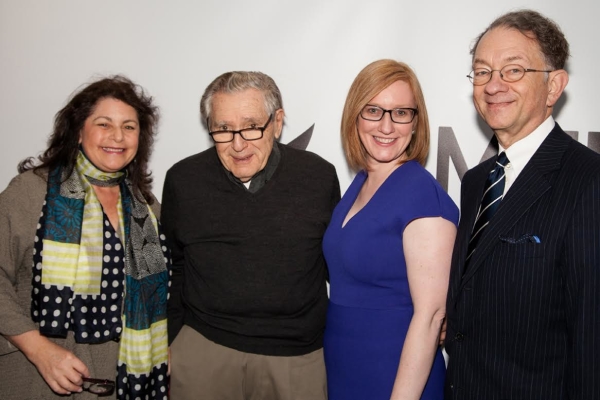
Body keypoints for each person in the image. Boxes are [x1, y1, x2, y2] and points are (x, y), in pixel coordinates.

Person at [445, 9, 600, 400]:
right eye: (482, 72)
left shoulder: (588, 180)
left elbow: (591, 336)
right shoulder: (476, 181)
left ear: (553, 86)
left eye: (513, 70)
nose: (493, 86)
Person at [162, 70, 340, 400]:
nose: (238, 143)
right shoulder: (182, 180)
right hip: (203, 348)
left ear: (277, 122)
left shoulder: (318, 177)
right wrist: (171, 340)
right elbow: (175, 267)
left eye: (251, 126)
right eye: (223, 129)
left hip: (297, 355)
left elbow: (339, 268)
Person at [0, 76, 170, 399]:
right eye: (104, 123)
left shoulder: (146, 208)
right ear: (78, 131)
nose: (117, 136)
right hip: (39, 379)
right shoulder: (31, 192)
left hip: (126, 384)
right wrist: (38, 349)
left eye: (129, 127)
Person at [322, 59, 458, 400]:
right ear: (355, 116)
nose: (386, 126)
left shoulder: (422, 195)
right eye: (373, 110)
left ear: (416, 122)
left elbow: (431, 316)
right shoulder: (361, 183)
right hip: (345, 369)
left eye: (401, 112)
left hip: (397, 378)